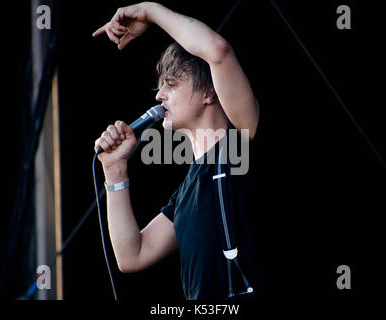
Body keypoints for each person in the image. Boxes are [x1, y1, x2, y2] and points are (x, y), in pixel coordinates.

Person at [93, 2, 260, 300]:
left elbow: (217, 50)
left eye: (171, 84)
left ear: (209, 91)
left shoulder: (242, 142)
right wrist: (114, 170)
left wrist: (149, 11)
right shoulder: (185, 194)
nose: (159, 96)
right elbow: (133, 255)